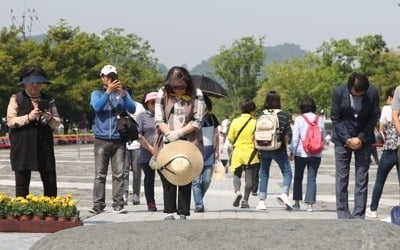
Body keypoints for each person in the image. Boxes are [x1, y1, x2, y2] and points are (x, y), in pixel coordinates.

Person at [153, 66, 205, 220]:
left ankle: (183, 211)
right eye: (175, 87)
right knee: (168, 173)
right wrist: (169, 133)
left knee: (185, 173)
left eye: (181, 87)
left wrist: (180, 133)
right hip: (167, 138)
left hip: (188, 140)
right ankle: (169, 211)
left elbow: (197, 120)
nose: (178, 90)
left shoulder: (197, 93)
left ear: (187, 83)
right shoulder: (163, 92)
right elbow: (158, 118)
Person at [6, 65, 61, 197]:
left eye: (38, 82)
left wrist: (49, 118)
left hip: (44, 144)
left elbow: (57, 122)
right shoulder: (16, 98)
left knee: (50, 179)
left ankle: (51, 209)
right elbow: (11, 121)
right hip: (22, 144)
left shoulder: (49, 99)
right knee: (22, 181)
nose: (35, 86)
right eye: (32, 82)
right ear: (25, 83)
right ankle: (22, 212)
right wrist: (29, 117)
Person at [331, 72, 380, 219]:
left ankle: (359, 214)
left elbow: (374, 116)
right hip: (342, 140)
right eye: (356, 93)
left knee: (361, 176)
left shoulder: (372, 92)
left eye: (361, 94)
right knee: (342, 176)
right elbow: (336, 118)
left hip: (363, 140)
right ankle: (343, 212)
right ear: (349, 87)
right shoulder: (339, 92)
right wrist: (347, 139)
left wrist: (360, 138)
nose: (359, 96)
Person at [88, 64, 136, 214]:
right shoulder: (96, 93)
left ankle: (118, 204)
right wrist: (108, 92)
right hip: (101, 139)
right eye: (108, 77)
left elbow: (132, 108)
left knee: (119, 174)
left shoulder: (122, 93)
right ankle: (98, 205)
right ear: (102, 78)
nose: (111, 79)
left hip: (118, 139)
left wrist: (123, 95)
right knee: (100, 174)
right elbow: (96, 107)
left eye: (113, 77)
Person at [256, 90, 293, 211]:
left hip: (263, 147)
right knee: (287, 172)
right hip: (278, 148)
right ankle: (284, 194)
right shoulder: (284, 115)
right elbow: (288, 134)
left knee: (264, 174)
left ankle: (262, 201)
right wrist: (286, 146)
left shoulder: (261, 114)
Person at [367, 87, 400, 218]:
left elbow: (381, 129)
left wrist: (386, 136)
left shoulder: (387, 109)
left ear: (392, 98)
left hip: (389, 149)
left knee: (380, 180)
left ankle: (373, 209)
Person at [289, 97, 325, 212]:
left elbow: (295, 138)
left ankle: (296, 203)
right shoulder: (320, 119)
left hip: (301, 153)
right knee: (312, 178)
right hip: (316, 153)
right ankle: (310, 205)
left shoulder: (299, 119)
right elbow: (323, 137)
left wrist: (292, 151)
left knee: (298, 177)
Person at [227, 99, 260, 209]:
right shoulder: (256, 122)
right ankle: (245, 200)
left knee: (237, 174)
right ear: (253, 109)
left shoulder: (235, 121)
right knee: (249, 178)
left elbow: (230, 138)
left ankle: (237, 192)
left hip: (238, 152)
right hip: (251, 153)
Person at [192, 94, 220, 213]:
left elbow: (216, 134)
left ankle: (199, 199)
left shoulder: (212, 118)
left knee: (207, 180)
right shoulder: (192, 118)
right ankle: (199, 204)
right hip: (195, 152)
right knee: (196, 180)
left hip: (209, 152)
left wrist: (217, 150)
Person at [136, 91, 158, 211]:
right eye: (152, 102)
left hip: (163, 153)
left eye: (157, 102)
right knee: (149, 179)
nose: (155, 104)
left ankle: (169, 203)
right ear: (147, 103)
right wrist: (151, 148)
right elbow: (138, 135)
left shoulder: (164, 116)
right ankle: (150, 202)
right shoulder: (142, 116)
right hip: (146, 153)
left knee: (166, 178)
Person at [122, 98, 145, 206]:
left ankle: (136, 194)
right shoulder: (120, 105)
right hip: (123, 145)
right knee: (124, 172)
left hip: (137, 145)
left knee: (137, 172)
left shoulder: (139, 107)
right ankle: (124, 195)